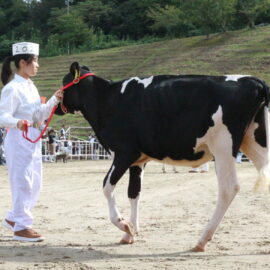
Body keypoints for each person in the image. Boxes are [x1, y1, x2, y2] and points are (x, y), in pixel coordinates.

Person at [0, 42, 63, 242]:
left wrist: (54, 99)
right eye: (35, 61)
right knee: (23, 183)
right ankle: (21, 227)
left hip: (33, 138)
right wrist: (17, 122)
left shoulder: (30, 87)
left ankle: (13, 218)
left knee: (35, 183)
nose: (38, 65)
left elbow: (38, 116)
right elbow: (2, 116)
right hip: (18, 138)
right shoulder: (12, 88)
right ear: (22, 62)